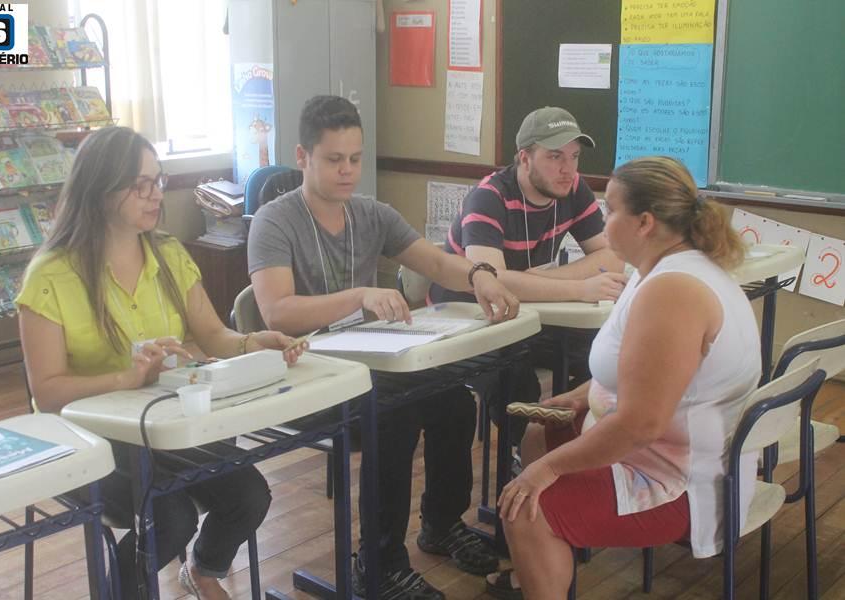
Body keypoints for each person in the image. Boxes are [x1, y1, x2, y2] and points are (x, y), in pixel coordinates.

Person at [16, 127, 307, 600]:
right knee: (169, 515)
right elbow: (47, 393)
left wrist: (255, 342)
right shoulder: (51, 275)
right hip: (84, 439)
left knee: (249, 493)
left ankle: (203, 569)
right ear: (100, 189)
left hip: (157, 425)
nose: (157, 195)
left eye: (159, 180)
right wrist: (125, 377)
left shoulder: (168, 253)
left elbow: (213, 335)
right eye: (140, 185)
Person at [248, 95, 520, 599]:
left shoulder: (370, 214)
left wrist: (482, 276)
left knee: (454, 402)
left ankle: (440, 524)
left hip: (367, 361)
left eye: (355, 158)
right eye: (334, 160)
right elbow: (277, 312)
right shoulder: (275, 220)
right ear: (303, 156)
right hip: (306, 372)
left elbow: (437, 264)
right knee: (392, 415)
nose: (348, 171)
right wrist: (359, 294)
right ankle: (378, 561)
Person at [486, 156, 762, 600]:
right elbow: (646, 374)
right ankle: (543, 569)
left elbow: (640, 424)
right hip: (673, 452)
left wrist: (545, 472)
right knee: (540, 434)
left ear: (645, 222)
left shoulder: (672, 292)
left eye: (611, 210)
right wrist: (582, 395)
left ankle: (544, 557)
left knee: (523, 506)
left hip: (684, 481)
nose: (603, 218)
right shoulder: (662, 269)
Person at [429, 106, 627, 437]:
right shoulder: (488, 197)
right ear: (524, 158)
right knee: (516, 382)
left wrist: (539, 280)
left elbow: (612, 257)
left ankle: (572, 448)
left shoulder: (572, 188)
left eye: (574, 157)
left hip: (531, 310)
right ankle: (521, 458)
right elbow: (492, 279)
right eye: (554, 157)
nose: (567, 169)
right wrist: (580, 289)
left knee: (603, 354)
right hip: (469, 317)